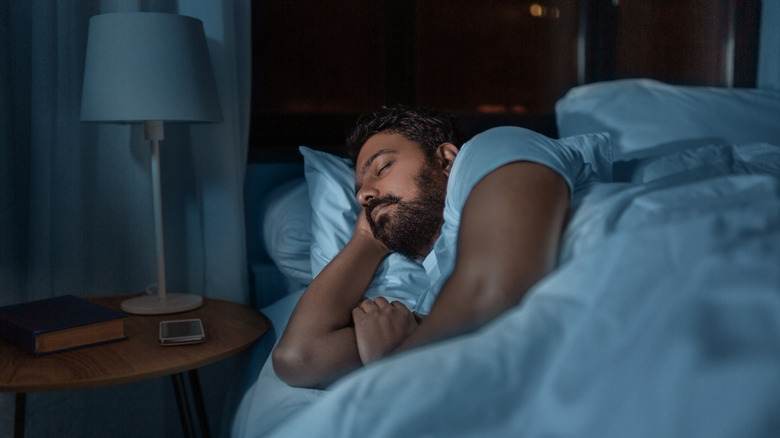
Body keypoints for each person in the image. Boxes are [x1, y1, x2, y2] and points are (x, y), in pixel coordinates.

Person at [272, 105, 611, 389]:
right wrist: (365, 241)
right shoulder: (435, 294)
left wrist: (394, 362)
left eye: (382, 167)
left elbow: (494, 291)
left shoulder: (487, 152)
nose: (364, 195)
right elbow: (298, 357)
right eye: (360, 190)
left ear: (446, 159)